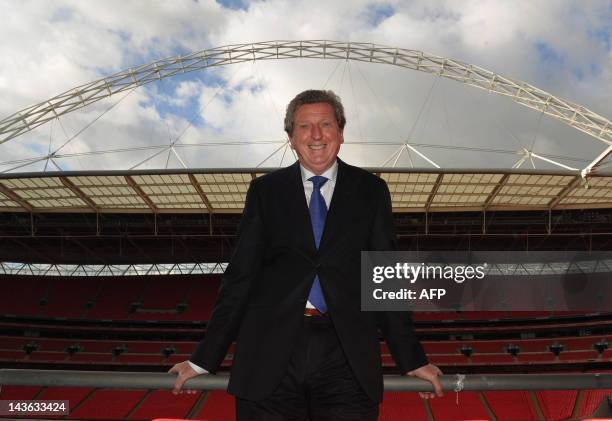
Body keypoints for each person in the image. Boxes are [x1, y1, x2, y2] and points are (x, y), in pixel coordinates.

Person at [170, 89, 443, 420]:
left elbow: (383, 277)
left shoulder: (371, 191)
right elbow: (241, 276)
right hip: (269, 355)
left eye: (325, 124)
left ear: (340, 132)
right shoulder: (264, 192)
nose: (316, 135)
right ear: (290, 137)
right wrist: (204, 358)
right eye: (304, 127)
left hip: (346, 357)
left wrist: (411, 358)